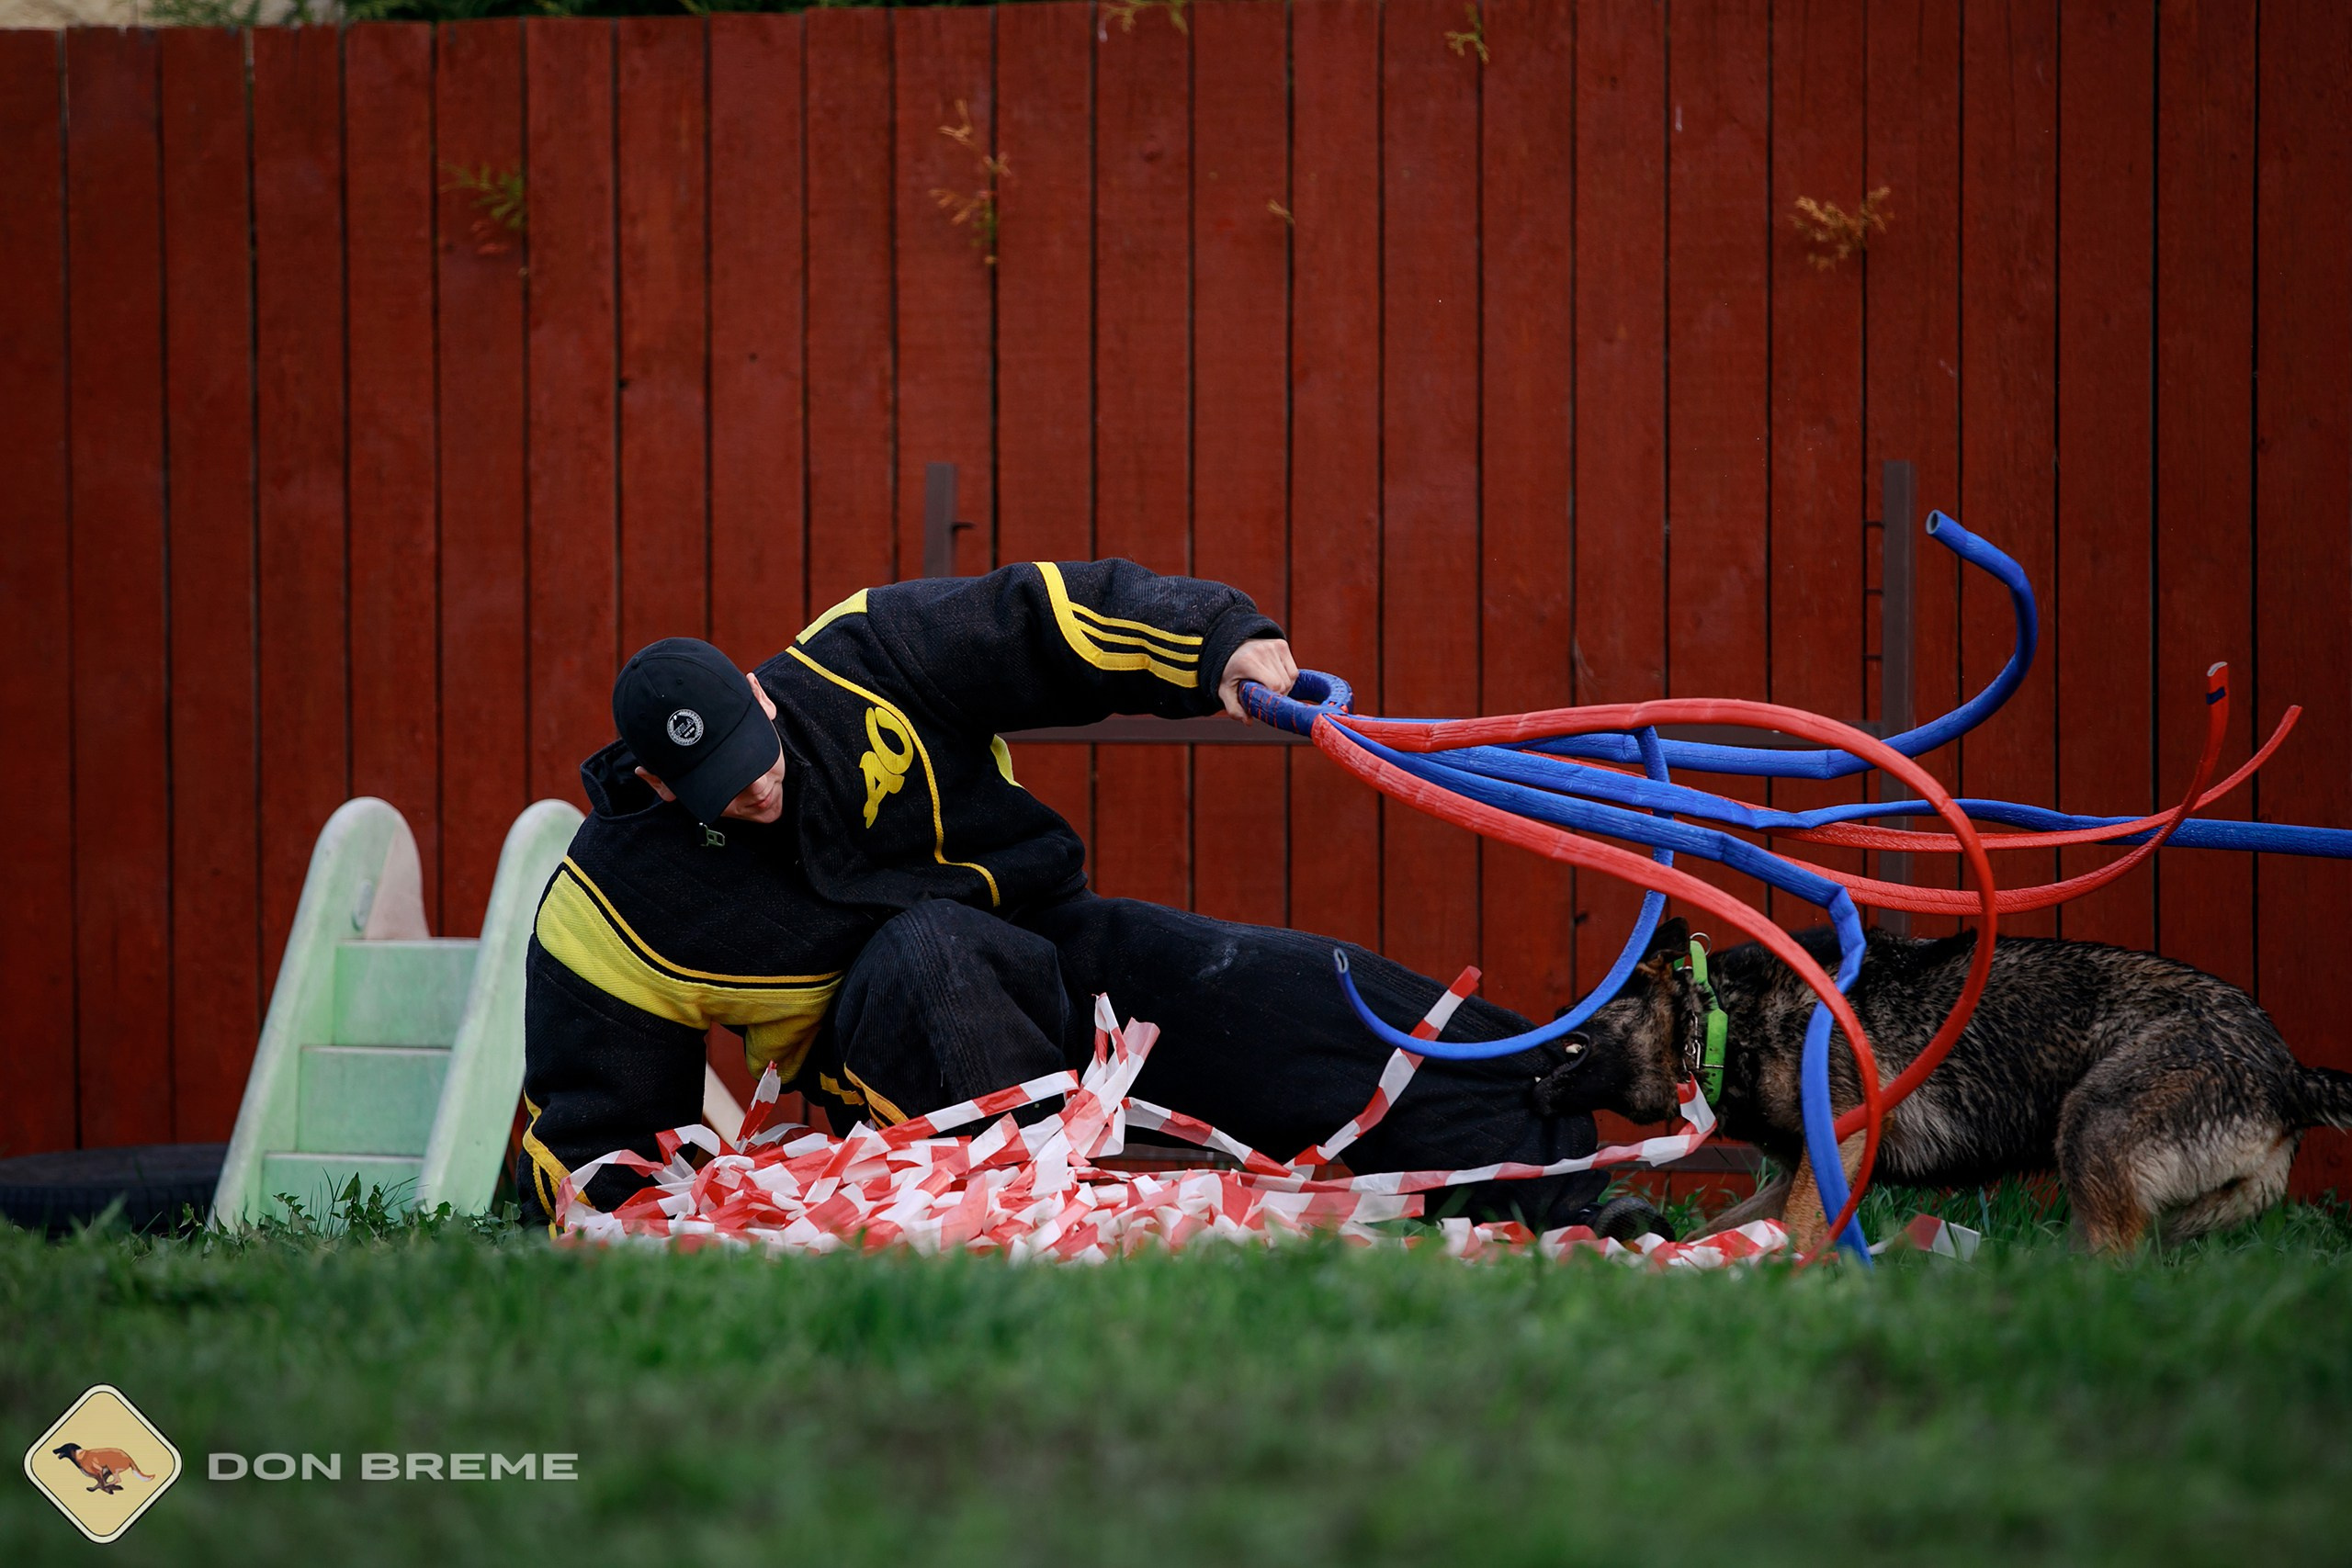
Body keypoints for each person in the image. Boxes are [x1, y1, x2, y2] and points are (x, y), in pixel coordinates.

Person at [514, 558, 1623, 1235]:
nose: (754, 788)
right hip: (897, 1062)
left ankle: (1561, 1173)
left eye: (756, 755)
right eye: (716, 786)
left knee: (1291, 994)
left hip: (1053, 952)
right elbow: (600, 1134)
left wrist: (1214, 644)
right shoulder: (614, 903)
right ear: (654, 783)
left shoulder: (860, 656)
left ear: (762, 696)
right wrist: (586, 1222)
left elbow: (1037, 619)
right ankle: (1035, 1235)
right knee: (929, 951)